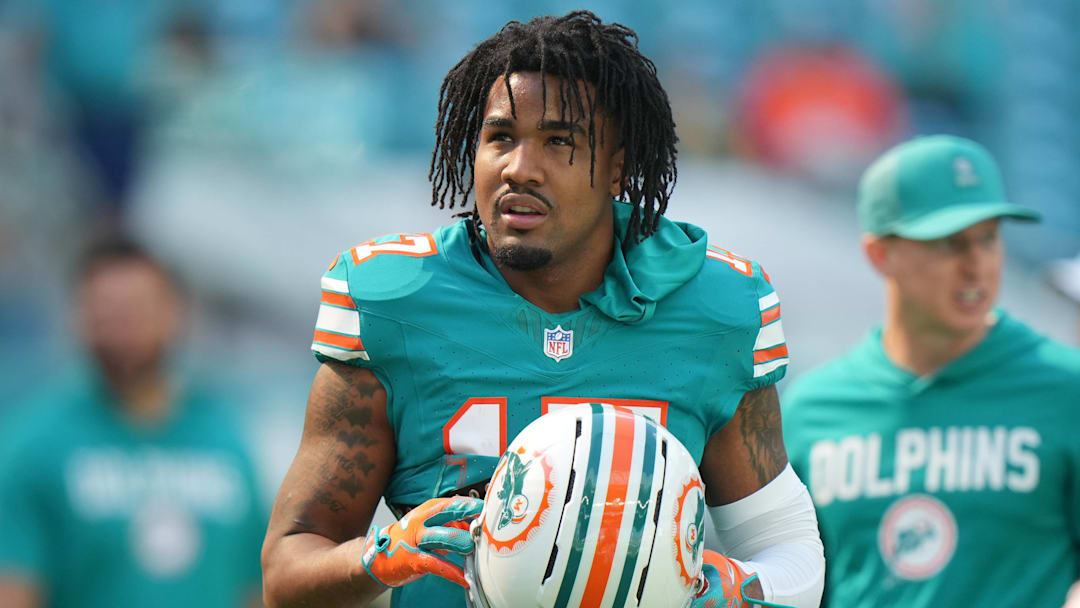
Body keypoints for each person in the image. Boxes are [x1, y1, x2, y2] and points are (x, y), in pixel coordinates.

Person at [261, 11, 824, 608]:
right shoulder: (397, 301)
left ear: (619, 166)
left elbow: (788, 552)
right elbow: (287, 574)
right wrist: (380, 557)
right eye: (501, 137)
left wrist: (732, 589)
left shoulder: (712, 309)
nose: (519, 168)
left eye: (559, 141)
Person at [782, 135, 1080, 607]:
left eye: (988, 239)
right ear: (880, 254)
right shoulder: (812, 410)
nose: (977, 266)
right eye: (949, 244)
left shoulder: (1066, 390)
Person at [0, 235, 265, 608]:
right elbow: (14, 585)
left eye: (138, 309)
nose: (123, 327)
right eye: (107, 310)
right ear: (78, 318)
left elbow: (254, 584)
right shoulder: (36, 443)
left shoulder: (224, 435)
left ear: (176, 314)